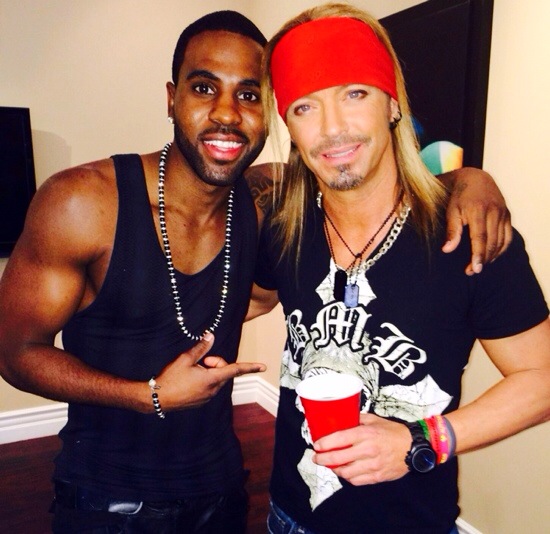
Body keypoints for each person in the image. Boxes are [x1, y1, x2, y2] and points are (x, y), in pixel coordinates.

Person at [0, 8, 511, 534]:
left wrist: (471, 180)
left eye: (248, 95)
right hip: (107, 497)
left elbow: (357, 170)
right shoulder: (82, 203)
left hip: (221, 489)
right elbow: (14, 354)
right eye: (204, 88)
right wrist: (148, 394)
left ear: (268, 113)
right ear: (172, 98)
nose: (227, 113)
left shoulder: (267, 200)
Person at [250, 3, 550, 533]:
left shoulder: (467, 235)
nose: (332, 128)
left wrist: (423, 440)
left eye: (354, 94)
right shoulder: (283, 224)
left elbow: (542, 378)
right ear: (288, 125)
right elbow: (256, 297)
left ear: (392, 103)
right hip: (289, 515)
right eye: (305, 106)